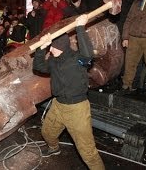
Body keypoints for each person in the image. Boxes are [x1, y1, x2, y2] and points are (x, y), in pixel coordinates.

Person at [33, 14, 105, 170]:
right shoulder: (53, 60)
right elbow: (38, 66)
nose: (50, 49)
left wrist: (80, 28)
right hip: (58, 105)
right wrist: (41, 47)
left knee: (88, 152)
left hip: (77, 109)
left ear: (61, 47)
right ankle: (54, 148)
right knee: (47, 133)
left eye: (52, 47)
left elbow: (88, 54)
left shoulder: (77, 59)